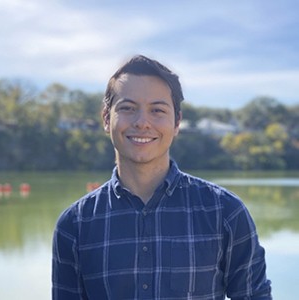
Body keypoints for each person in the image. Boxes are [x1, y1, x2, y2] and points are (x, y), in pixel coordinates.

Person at [52, 55, 272, 299]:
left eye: (157, 110)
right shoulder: (75, 225)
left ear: (177, 122)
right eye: (127, 108)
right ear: (106, 118)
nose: (142, 123)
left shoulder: (225, 213)